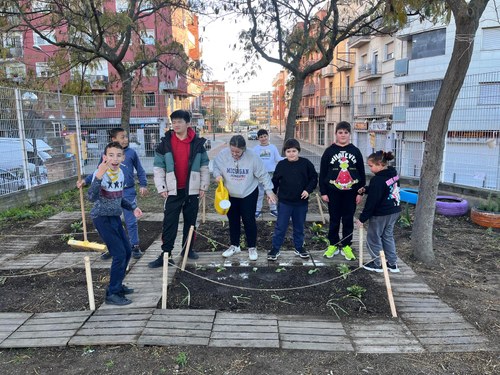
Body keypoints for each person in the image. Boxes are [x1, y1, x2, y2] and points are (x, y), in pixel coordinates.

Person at [148, 110, 210, 268]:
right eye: (173, 122)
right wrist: (161, 187)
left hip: (192, 190)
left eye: (179, 122)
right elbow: (158, 167)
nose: (176, 125)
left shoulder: (198, 144)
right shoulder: (165, 143)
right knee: (169, 223)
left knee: (191, 223)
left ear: (188, 124)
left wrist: (203, 186)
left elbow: (204, 166)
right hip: (172, 191)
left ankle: (187, 250)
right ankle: (166, 254)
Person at [87, 141, 143, 305]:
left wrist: (133, 207)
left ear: (123, 158)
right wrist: (98, 176)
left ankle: (118, 285)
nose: (114, 158)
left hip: (115, 217)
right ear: (105, 157)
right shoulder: (100, 173)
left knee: (126, 251)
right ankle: (112, 293)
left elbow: (118, 197)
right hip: (102, 218)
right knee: (118, 254)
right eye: (111, 155)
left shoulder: (120, 173)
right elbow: (91, 196)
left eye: (118, 155)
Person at [79, 127, 148, 260]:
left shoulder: (131, 153)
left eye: (126, 137)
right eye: (122, 137)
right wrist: (85, 181)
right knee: (109, 222)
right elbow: (98, 171)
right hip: (109, 193)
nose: (126, 139)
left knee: (131, 220)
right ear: (113, 139)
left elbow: (140, 170)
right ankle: (111, 247)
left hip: (127, 191)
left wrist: (143, 184)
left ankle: (134, 245)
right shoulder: (107, 155)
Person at [213, 135, 277, 261]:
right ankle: (234, 245)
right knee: (233, 219)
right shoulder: (223, 155)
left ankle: (252, 247)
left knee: (249, 220)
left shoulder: (253, 157)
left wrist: (269, 191)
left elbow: (263, 175)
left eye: (238, 152)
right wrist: (217, 175)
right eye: (232, 151)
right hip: (230, 193)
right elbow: (216, 167)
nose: (235, 154)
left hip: (248, 192)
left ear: (244, 149)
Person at [319, 121, 366, 261]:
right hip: (333, 192)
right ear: (336, 134)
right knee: (334, 219)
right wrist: (323, 191)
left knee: (347, 219)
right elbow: (322, 173)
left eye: (346, 132)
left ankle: (346, 245)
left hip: (351, 192)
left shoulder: (355, 151)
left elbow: (361, 173)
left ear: (350, 134)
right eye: (340, 132)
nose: (343, 135)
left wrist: (360, 192)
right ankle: (333, 244)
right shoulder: (329, 151)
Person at [267, 139, 318, 261]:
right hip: (285, 202)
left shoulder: (306, 163)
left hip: (300, 202)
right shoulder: (281, 165)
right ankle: (275, 248)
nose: (291, 153)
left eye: (294, 151)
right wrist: (271, 194)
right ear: (285, 152)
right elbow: (275, 181)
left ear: (298, 151)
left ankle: (299, 247)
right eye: (288, 151)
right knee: (281, 226)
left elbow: (314, 178)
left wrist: (308, 190)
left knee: (299, 226)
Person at [355, 151, 401, 273]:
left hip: (380, 213)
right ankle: (392, 263)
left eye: (371, 166)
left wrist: (362, 219)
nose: (370, 168)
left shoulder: (378, 180)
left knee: (373, 237)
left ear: (380, 164)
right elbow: (385, 189)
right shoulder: (393, 174)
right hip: (394, 210)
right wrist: (366, 189)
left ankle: (378, 263)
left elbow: (372, 202)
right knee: (387, 236)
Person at [253, 129, 282, 218]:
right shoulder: (256, 149)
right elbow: (253, 161)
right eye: (261, 137)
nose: (263, 138)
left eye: (265, 136)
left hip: (271, 174)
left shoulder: (273, 147)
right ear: (258, 138)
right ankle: (257, 210)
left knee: (271, 192)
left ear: (268, 136)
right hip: (260, 175)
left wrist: (288, 159)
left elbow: (278, 158)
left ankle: (273, 209)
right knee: (260, 193)